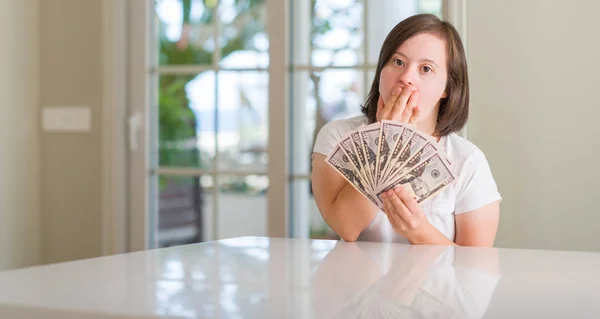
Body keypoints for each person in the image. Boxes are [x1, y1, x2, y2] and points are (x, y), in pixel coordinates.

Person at [311, 14, 502, 246]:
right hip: (357, 282)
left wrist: (419, 231)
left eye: (426, 69)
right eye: (398, 62)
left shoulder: (468, 161)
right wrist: (389, 140)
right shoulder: (337, 136)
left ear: (447, 88)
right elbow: (346, 227)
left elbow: (476, 269)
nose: (406, 78)